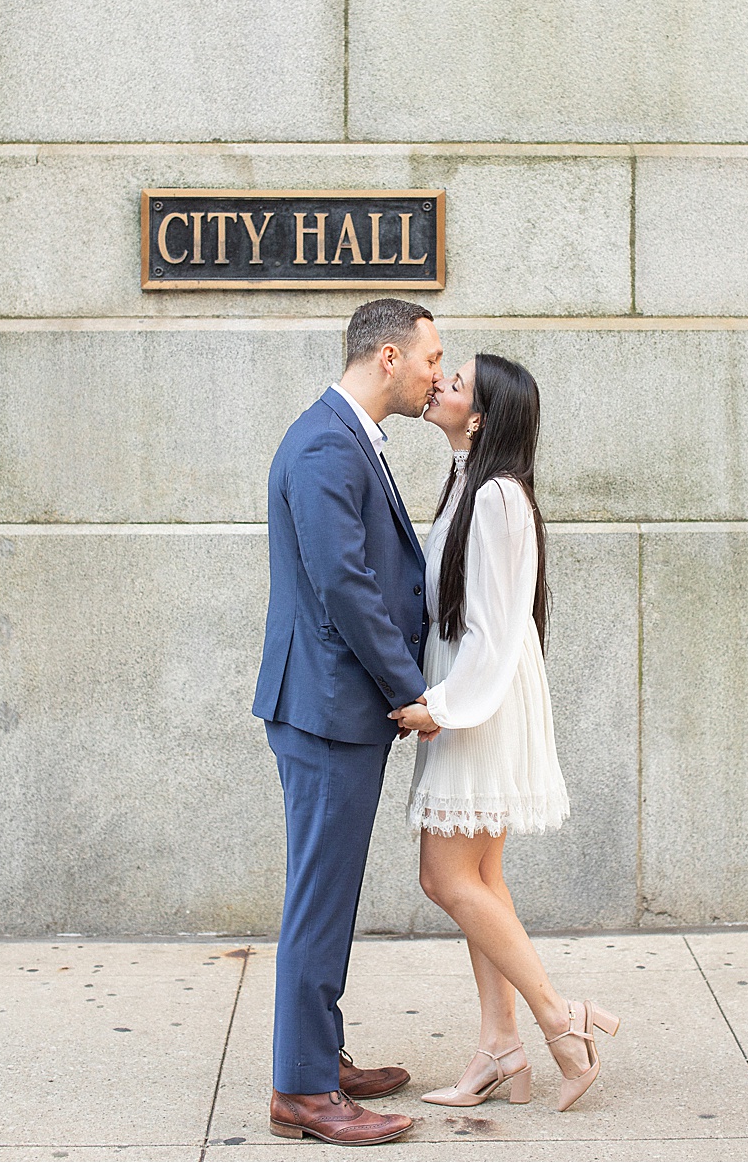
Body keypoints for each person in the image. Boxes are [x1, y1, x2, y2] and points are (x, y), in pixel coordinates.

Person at [390, 353, 618, 1112]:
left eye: (456, 384)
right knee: (479, 880)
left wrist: (445, 707)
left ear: (480, 416)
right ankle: (499, 1046)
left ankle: (559, 1019)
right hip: (477, 691)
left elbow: (492, 629)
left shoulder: (495, 498)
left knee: (446, 878)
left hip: (478, 697)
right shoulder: (475, 484)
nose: (440, 386)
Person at [253, 299, 444, 1147]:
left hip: (332, 708)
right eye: (433, 358)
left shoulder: (340, 435)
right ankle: (301, 1091)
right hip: (330, 711)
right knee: (318, 901)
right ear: (392, 356)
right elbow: (346, 585)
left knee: (326, 894)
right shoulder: (330, 443)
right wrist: (409, 688)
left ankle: (318, 1056)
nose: (441, 374)